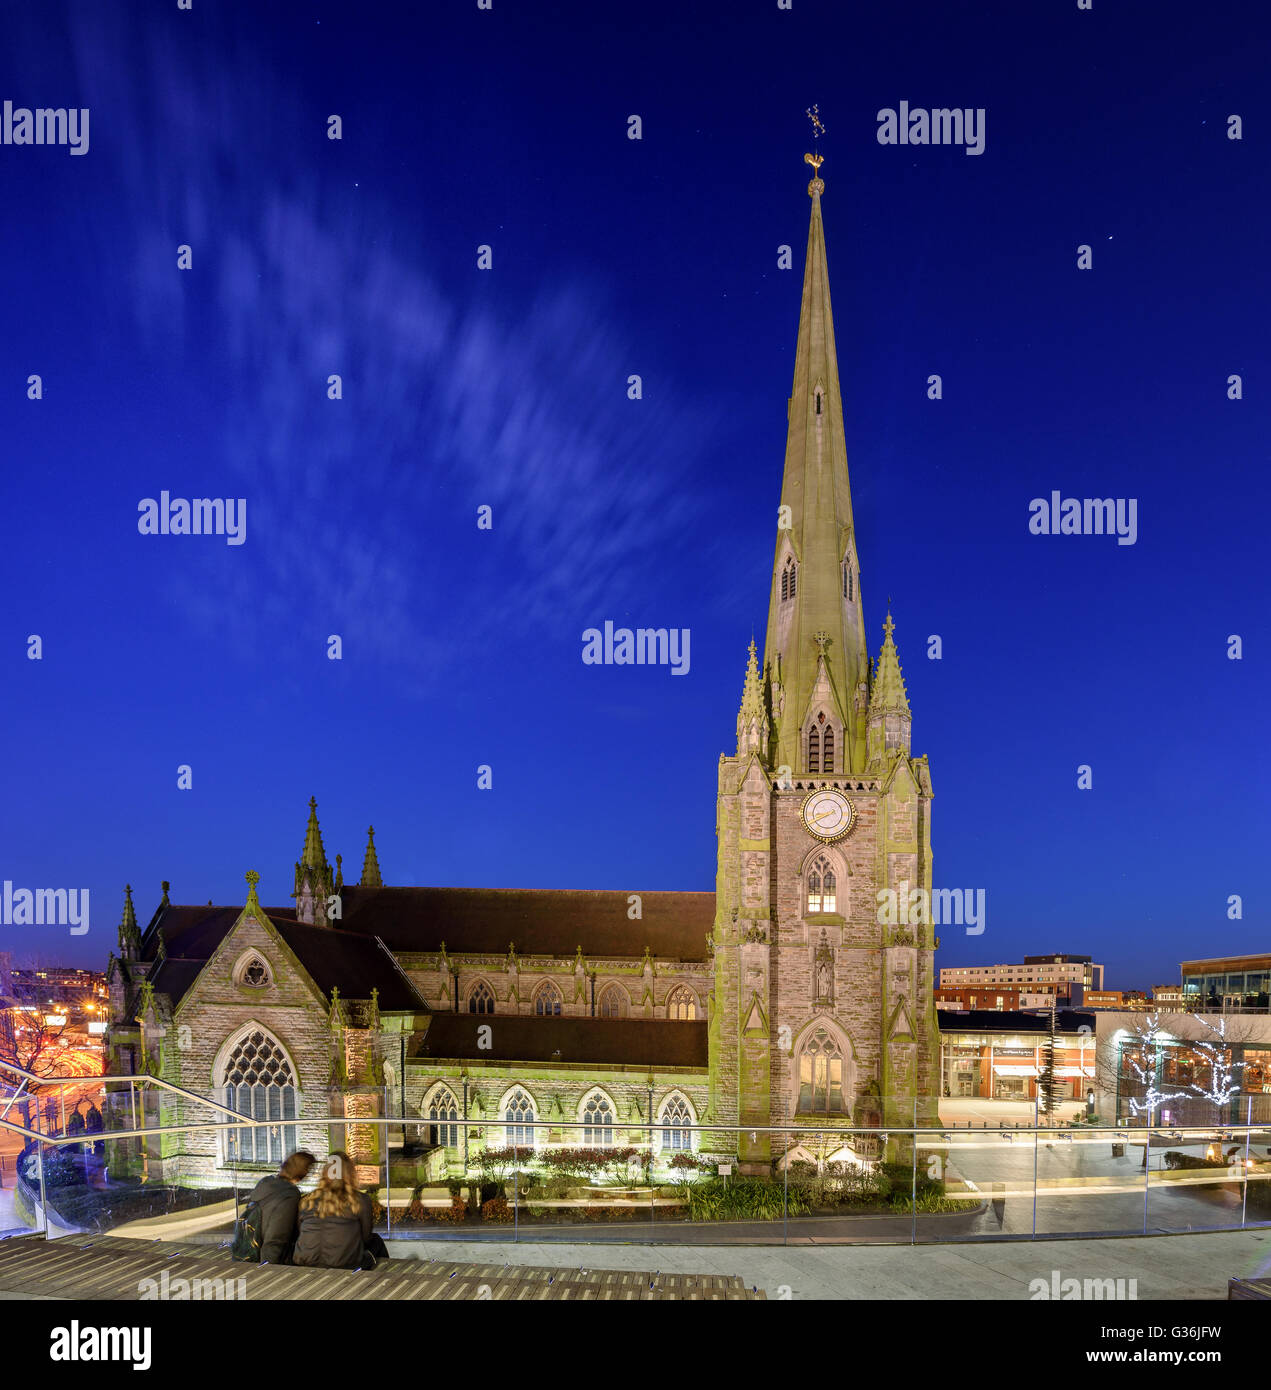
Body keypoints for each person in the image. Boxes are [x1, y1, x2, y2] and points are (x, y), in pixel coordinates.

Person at [292, 1151, 384, 1270]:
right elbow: (365, 1237)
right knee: (376, 1241)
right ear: (350, 1173)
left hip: (304, 1262)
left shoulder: (307, 1200)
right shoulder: (359, 1200)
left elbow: (301, 1231)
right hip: (344, 1265)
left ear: (325, 1173)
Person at [246, 1150, 315, 1264]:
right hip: (268, 1262)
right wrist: (267, 1271)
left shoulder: (265, 1184)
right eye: (309, 1169)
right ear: (302, 1172)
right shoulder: (288, 1195)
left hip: (251, 1255)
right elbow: (277, 1237)